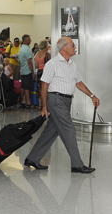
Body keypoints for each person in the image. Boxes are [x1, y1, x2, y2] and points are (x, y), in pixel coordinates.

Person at [24, 37, 100, 174]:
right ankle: (77, 164)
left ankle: (32, 158)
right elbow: (44, 86)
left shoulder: (72, 64)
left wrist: (92, 96)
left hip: (66, 101)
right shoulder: (52, 64)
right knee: (69, 129)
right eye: (72, 45)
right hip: (56, 100)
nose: (74, 47)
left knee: (52, 131)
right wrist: (44, 106)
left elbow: (78, 83)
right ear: (64, 47)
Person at [18, 34, 36, 108]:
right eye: (30, 39)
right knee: (27, 87)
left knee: (24, 86)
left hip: (23, 70)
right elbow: (30, 62)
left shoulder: (21, 49)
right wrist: (33, 73)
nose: (31, 41)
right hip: (27, 71)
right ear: (26, 40)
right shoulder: (27, 49)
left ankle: (24, 100)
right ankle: (28, 102)